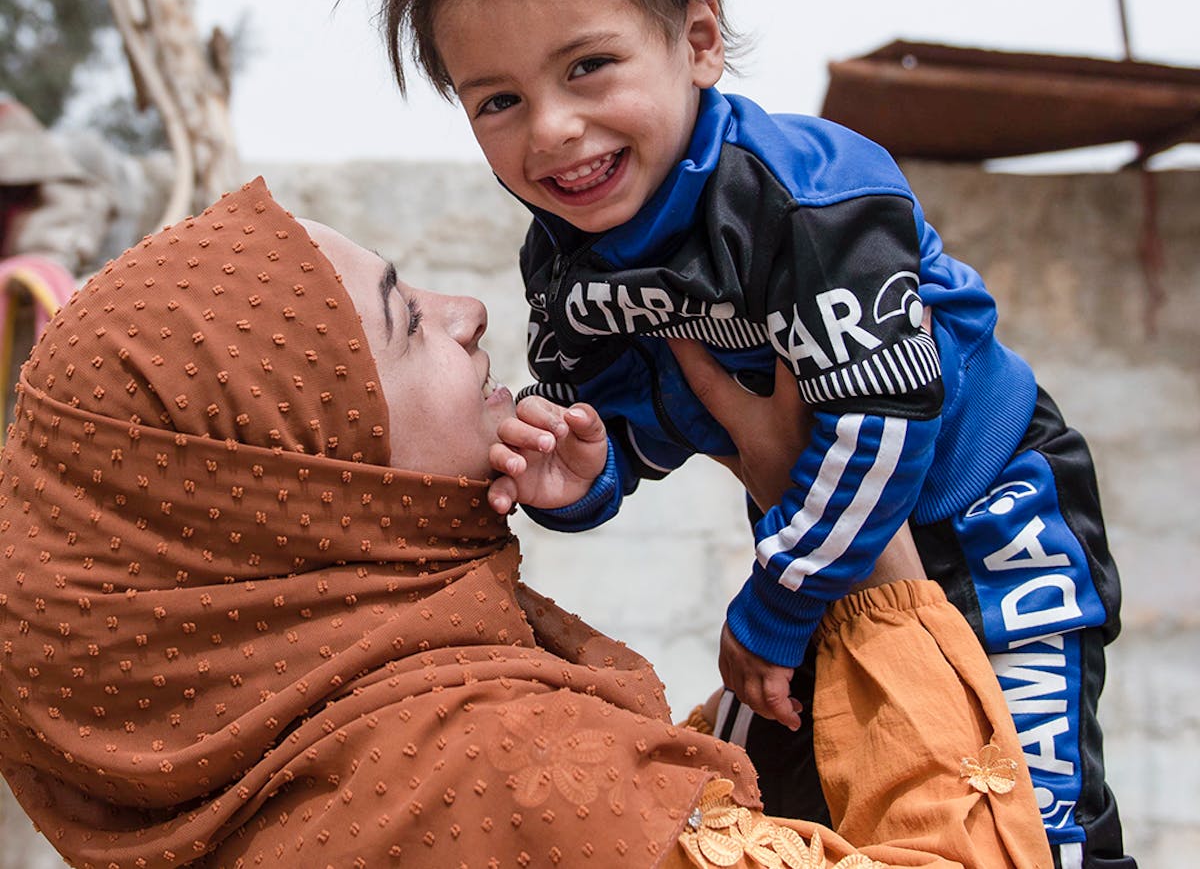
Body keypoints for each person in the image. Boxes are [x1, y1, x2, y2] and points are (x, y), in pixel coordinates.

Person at [0, 177, 1054, 868]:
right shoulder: (499, 780)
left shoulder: (285, 771)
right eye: (407, 320)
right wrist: (860, 546)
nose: (467, 314)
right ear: (314, 484)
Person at [373, 0, 1132, 865]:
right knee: (757, 800)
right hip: (811, 535)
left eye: (588, 66)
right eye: (499, 101)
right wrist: (584, 473)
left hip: (986, 522)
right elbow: (624, 420)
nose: (553, 129)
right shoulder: (567, 253)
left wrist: (776, 603)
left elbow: (884, 426)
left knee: (1028, 822)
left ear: (699, 40)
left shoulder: (809, 200)